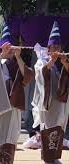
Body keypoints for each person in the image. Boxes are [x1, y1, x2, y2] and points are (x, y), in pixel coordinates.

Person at [0, 24, 34, 164]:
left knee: (9, 140)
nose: (9, 51)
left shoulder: (18, 64)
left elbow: (28, 77)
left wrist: (18, 57)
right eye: (6, 48)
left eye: (12, 48)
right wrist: (2, 57)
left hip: (12, 109)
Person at [31, 21, 69, 163]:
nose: (57, 49)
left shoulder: (64, 61)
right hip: (47, 104)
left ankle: (55, 157)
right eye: (54, 46)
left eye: (58, 46)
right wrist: (51, 61)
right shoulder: (42, 61)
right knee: (48, 131)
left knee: (59, 130)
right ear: (49, 48)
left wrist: (65, 62)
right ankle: (48, 158)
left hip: (60, 103)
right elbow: (41, 73)